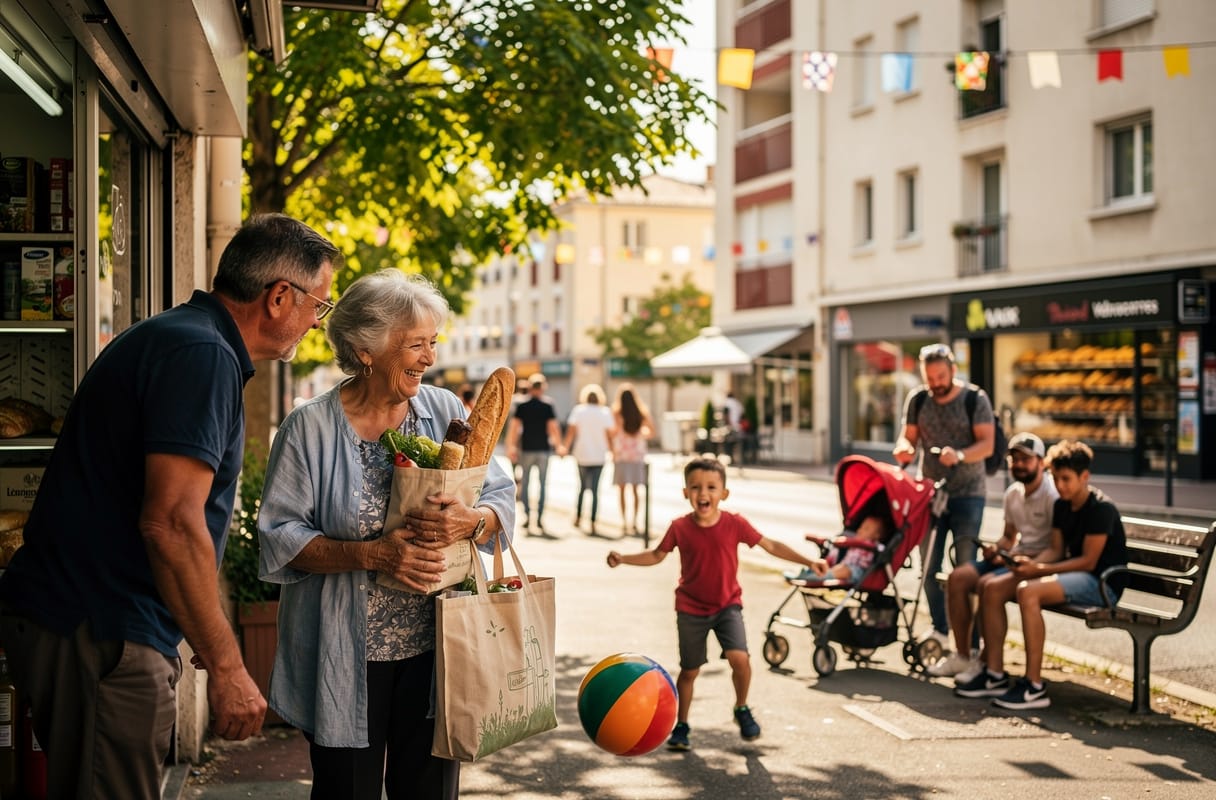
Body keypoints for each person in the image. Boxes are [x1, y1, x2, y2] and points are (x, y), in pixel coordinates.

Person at [0, 213, 338, 798]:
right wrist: (229, 668)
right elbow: (173, 523)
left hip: (89, 624)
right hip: (102, 631)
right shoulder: (201, 355)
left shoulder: (188, 339)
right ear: (280, 296)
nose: (317, 321)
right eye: (319, 306)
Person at [256, 269, 516, 800]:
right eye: (415, 344)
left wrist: (474, 521)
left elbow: (498, 495)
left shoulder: (443, 412)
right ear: (366, 350)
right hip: (344, 655)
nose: (429, 358)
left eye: (433, 342)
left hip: (439, 651)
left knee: (429, 791)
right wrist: (374, 555)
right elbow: (280, 535)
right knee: (345, 791)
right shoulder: (309, 428)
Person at [606, 458, 819, 751]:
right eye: (695, 487)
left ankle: (741, 708)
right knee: (690, 671)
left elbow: (771, 546)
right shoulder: (679, 527)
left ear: (724, 493)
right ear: (685, 493)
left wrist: (809, 562)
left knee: (740, 658)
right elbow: (656, 555)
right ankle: (682, 726)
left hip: (727, 606)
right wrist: (624, 559)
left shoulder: (735, 523)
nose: (702, 493)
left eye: (711, 487)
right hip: (691, 609)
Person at [956, 440, 1126, 710]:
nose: (1061, 486)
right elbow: (1056, 550)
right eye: (1057, 479)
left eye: (1067, 479)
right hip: (1075, 573)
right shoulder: (1062, 505)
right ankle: (995, 675)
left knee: (1028, 591)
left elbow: (1088, 561)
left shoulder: (1100, 509)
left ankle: (1034, 685)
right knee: (992, 587)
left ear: (1085, 477)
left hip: (1102, 582)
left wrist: (1039, 571)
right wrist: (1027, 564)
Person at [929, 432, 1059, 679]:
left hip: (1037, 565)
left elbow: (1056, 547)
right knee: (958, 577)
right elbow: (1009, 537)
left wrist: (1012, 556)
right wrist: (996, 549)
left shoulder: (1052, 496)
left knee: (988, 586)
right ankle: (963, 656)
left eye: (1026, 459)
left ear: (1041, 462)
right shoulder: (1012, 494)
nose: (1019, 465)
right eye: (1014, 459)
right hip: (1012, 559)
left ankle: (989, 664)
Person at [893, 343, 995, 652]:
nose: (935, 383)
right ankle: (941, 629)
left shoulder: (974, 399)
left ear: (952, 370)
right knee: (928, 567)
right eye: (929, 378)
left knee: (964, 568)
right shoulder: (919, 399)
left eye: (940, 376)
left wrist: (961, 455)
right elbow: (907, 437)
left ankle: (971, 643)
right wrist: (905, 449)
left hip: (968, 493)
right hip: (931, 494)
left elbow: (987, 445)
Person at [507, 373, 563, 535]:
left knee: (526, 483)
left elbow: (514, 428)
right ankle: (539, 518)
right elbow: (553, 428)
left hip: (527, 449)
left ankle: (527, 515)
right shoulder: (548, 405)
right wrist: (559, 446)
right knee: (542, 484)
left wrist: (511, 446)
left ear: (531, 388)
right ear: (543, 388)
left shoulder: (522, 406)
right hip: (543, 450)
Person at [562, 383, 615, 536]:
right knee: (595, 490)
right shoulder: (604, 412)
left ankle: (578, 517)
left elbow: (571, 432)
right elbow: (609, 435)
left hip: (582, 454)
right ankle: (593, 521)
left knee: (582, 488)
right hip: (599, 455)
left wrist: (565, 447)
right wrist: (612, 451)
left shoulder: (579, 410)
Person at [788, 512, 891, 585]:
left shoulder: (876, 546)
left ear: (877, 535)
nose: (860, 530)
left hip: (857, 571)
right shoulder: (851, 540)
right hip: (843, 566)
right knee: (833, 565)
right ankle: (812, 573)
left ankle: (814, 577)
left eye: (866, 529)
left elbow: (883, 551)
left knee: (844, 570)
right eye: (861, 527)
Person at [612, 383, 654, 535]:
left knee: (622, 490)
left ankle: (624, 522)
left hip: (622, 454)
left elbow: (613, 432)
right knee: (636, 490)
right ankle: (635, 522)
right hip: (637, 455)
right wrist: (641, 433)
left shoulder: (617, 413)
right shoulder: (641, 413)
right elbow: (652, 431)